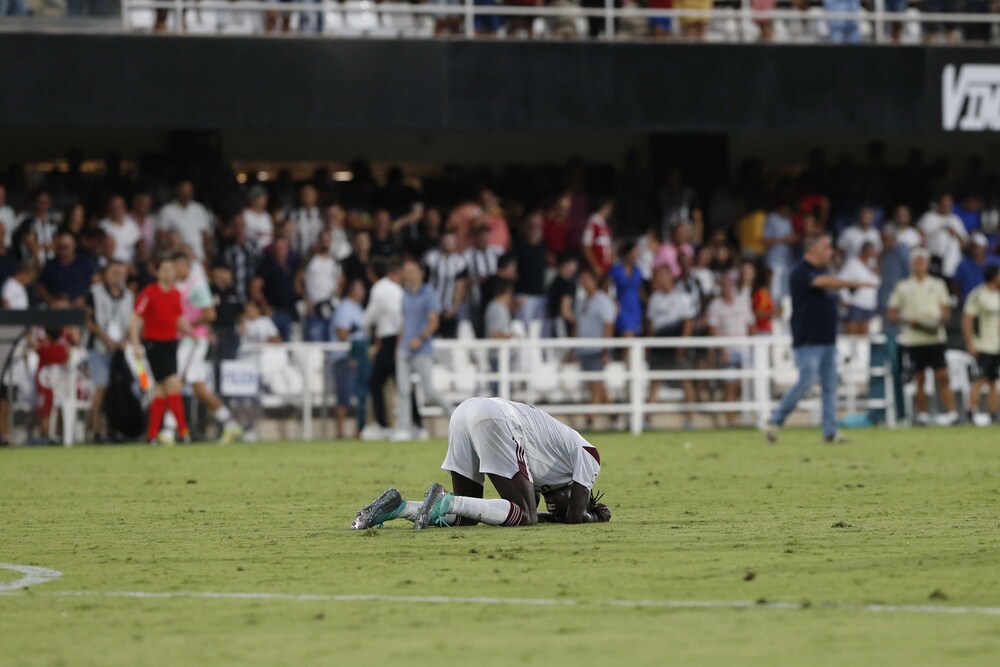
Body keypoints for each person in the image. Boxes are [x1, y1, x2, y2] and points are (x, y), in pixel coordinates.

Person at [352, 397, 610, 530]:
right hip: (495, 417)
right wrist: (593, 516)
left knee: (466, 517)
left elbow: (565, 513)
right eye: (561, 506)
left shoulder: (550, 475)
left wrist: (553, 517)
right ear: (578, 492)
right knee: (526, 517)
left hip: (466, 412)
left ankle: (398, 507)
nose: (556, 510)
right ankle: (446, 498)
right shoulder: (589, 454)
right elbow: (576, 517)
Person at [765, 235, 876, 444]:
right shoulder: (800, 271)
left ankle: (830, 432)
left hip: (827, 340)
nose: (830, 252)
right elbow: (822, 283)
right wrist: (854, 282)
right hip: (808, 341)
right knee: (805, 382)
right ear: (813, 249)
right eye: (826, 248)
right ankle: (775, 420)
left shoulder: (824, 271)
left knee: (830, 386)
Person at [171, 252, 243, 444]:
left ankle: (169, 431)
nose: (174, 270)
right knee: (199, 388)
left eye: (176, 266)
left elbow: (210, 314)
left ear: (185, 266)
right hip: (184, 339)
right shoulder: (177, 286)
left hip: (194, 340)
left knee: (175, 381)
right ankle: (230, 424)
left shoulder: (197, 286)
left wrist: (188, 325)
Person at [887, 249, 958, 427]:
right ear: (911, 264)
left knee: (942, 375)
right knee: (919, 377)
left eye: (923, 262)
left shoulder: (937, 284)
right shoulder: (903, 286)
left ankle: (952, 413)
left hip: (935, 336)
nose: (920, 265)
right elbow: (892, 312)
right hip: (914, 338)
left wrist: (938, 321)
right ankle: (923, 414)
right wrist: (906, 320)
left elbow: (946, 310)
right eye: (917, 261)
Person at [130, 255, 191, 445]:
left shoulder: (176, 294)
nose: (168, 273)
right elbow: (135, 319)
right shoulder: (149, 293)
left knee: (161, 391)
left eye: (171, 269)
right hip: (154, 344)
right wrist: (135, 344)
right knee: (173, 383)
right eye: (164, 269)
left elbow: (178, 319)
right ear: (157, 273)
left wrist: (192, 333)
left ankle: (152, 436)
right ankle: (183, 431)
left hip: (171, 344)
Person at [393, 259, 455, 442]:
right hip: (404, 348)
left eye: (411, 270)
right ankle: (404, 428)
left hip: (422, 349)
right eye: (406, 271)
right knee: (403, 390)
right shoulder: (404, 294)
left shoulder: (429, 294)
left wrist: (420, 338)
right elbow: (403, 323)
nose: (408, 274)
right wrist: (398, 346)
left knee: (428, 389)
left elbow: (434, 322)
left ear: (420, 273)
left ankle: (453, 416)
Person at [85, 261, 134, 441]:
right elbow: (88, 320)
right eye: (114, 272)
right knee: (101, 387)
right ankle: (96, 430)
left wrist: (125, 340)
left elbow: (133, 322)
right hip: (99, 348)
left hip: (121, 350)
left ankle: (121, 428)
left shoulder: (129, 296)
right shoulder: (95, 293)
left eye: (122, 273)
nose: (118, 276)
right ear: (106, 274)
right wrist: (105, 338)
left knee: (124, 389)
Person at [569, 267, 617, 429]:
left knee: (596, 383)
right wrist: (574, 347)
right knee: (594, 384)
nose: (583, 282)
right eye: (581, 279)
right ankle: (613, 413)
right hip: (584, 349)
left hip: (596, 349)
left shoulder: (602, 301)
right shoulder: (582, 302)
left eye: (586, 279)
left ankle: (590, 417)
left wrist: (605, 349)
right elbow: (578, 325)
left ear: (594, 280)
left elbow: (608, 325)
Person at [361, 260, 404, 441]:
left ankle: (383, 425)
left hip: (390, 340)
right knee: (400, 384)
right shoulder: (398, 290)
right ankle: (409, 424)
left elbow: (370, 316)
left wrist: (359, 327)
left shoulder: (379, 288)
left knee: (376, 383)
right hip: (396, 338)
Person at [706, 273, 755, 427]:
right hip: (728, 350)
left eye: (729, 285)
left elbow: (750, 324)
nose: (727, 288)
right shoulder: (715, 305)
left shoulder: (742, 302)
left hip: (744, 349)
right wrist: (722, 351)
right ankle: (730, 417)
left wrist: (754, 346)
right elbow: (713, 329)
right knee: (730, 384)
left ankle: (741, 414)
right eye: (724, 285)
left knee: (744, 383)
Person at [963, 264, 1000, 426]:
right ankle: (970, 412)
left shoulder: (998, 295)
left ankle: (993, 415)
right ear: (993, 276)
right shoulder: (978, 295)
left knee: (993, 381)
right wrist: (970, 342)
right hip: (982, 345)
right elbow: (967, 320)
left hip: (996, 345)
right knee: (979, 379)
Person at [331, 279, 369, 439]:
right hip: (345, 356)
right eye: (360, 289)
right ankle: (340, 432)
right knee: (344, 395)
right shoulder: (345, 308)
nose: (363, 292)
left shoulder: (358, 308)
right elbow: (342, 333)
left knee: (359, 395)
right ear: (352, 291)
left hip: (356, 356)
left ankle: (357, 432)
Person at [422, 227, 468, 339]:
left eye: (451, 241)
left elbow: (460, 286)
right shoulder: (431, 258)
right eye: (446, 240)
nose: (448, 243)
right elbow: (424, 282)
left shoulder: (460, 262)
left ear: (455, 242)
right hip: (431, 308)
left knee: (449, 339)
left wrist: (455, 307)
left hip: (448, 308)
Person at [250, 237, 299, 341]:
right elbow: (255, 287)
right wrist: (265, 306)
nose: (281, 251)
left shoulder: (290, 267)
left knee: (288, 348)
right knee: (273, 346)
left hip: (290, 313)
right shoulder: (267, 266)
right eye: (278, 248)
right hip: (274, 313)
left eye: (283, 248)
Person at [298, 230, 343, 342]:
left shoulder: (335, 261)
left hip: (330, 306)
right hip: (313, 307)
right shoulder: (310, 260)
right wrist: (306, 299)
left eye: (327, 240)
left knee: (332, 340)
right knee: (315, 341)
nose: (325, 242)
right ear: (318, 241)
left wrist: (337, 291)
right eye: (323, 240)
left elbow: (341, 280)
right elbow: (298, 280)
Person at [157, 180, 213, 261]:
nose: (186, 194)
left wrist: (207, 257)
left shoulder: (199, 209)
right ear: (178, 191)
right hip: (177, 259)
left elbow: (206, 236)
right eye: (183, 191)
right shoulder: (167, 210)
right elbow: (160, 238)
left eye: (188, 191)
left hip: (199, 257)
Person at [36, 232, 95, 308]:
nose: (62, 251)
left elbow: (94, 282)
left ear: (74, 245)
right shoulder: (50, 265)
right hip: (56, 307)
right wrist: (51, 301)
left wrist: (84, 298)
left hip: (80, 307)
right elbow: (40, 286)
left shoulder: (84, 264)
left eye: (66, 247)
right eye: (60, 248)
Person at [919, 193, 969, 280]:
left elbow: (965, 244)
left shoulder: (956, 220)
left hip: (951, 264)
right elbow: (920, 237)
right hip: (932, 261)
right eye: (944, 204)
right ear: (939, 204)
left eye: (949, 204)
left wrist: (956, 234)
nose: (946, 206)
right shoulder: (928, 217)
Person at [838, 241, 881, 335]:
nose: (871, 256)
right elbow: (840, 280)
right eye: (870, 253)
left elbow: (876, 283)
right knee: (852, 334)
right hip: (856, 303)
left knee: (864, 337)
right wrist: (846, 299)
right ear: (863, 252)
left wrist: (875, 272)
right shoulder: (853, 264)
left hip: (870, 304)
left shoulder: (872, 265)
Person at [610, 239, 644, 337]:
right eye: (634, 252)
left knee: (634, 336)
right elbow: (608, 287)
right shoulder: (616, 270)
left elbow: (640, 290)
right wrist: (613, 301)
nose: (636, 255)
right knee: (627, 335)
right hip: (622, 307)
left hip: (635, 307)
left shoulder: (638, 271)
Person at [581, 199, 614, 278]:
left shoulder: (603, 224)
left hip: (605, 269)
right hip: (595, 271)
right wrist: (595, 267)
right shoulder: (592, 223)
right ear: (604, 207)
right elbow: (586, 247)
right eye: (609, 208)